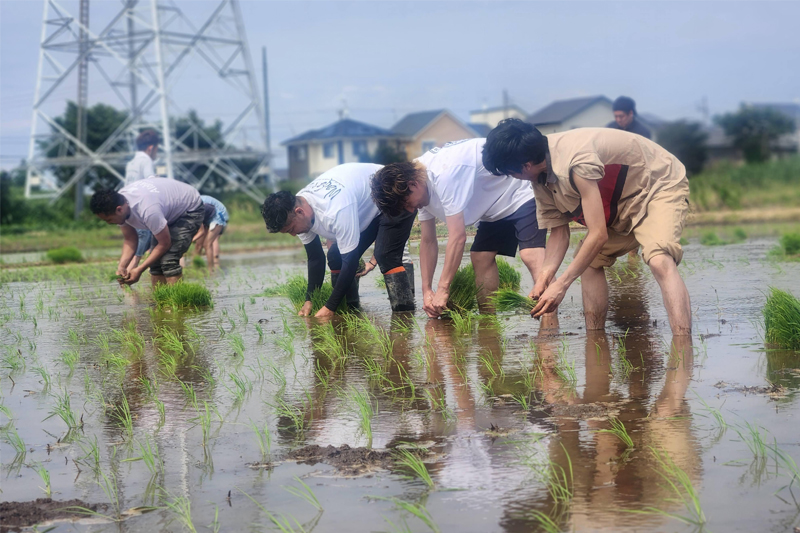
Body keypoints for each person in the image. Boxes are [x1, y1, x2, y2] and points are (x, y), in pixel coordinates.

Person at [482, 119, 691, 335]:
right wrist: (544, 278)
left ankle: (683, 347)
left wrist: (562, 284)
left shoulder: (576, 163)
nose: (513, 178)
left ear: (525, 165)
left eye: (510, 172)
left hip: (657, 186)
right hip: (620, 201)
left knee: (658, 259)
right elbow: (559, 232)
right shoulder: (540, 178)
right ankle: (595, 338)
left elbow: (598, 234)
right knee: (589, 262)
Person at [370, 139, 547, 319]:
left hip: (519, 191)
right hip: (491, 207)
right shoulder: (418, 185)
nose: (410, 210)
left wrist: (443, 290)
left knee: (530, 254)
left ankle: (550, 320)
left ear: (413, 184)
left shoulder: (443, 175)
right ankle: (488, 322)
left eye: (407, 203)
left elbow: (458, 237)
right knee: (480, 257)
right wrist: (427, 291)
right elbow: (428, 241)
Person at [261, 163, 416, 318]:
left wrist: (330, 307)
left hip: (393, 192)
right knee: (335, 256)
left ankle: (405, 315)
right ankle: (352, 313)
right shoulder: (299, 208)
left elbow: (351, 261)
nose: (293, 235)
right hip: (365, 206)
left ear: (299, 212)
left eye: (290, 230)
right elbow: (315, 258)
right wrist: (309, 300)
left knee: (386, 256)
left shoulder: (335, 210)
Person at [90, 177, 205, 287]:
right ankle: (160, 303)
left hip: (188, 208)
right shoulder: (118, 204)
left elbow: (165, 243)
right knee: (155, 263)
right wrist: (122, 266)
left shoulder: (148, 210)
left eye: (109, 220)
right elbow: (130, 239)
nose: (109, 223)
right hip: (165, 209)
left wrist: (139, 269)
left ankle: (179, 304)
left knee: (169, 259)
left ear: (119, 209)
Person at [124, 130, 160, 273]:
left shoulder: (131, 163)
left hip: (129, 208)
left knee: (139, 243)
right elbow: (151, 184)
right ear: (151, 148)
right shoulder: (146, 160)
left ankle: (126, 271)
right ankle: (130, 272)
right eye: (157, 149)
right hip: (141, 209)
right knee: (146, 241)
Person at [191, 195, 228, 271]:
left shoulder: (196, 209)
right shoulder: (188, 209)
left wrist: (191, 240)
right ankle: (194, 268)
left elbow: (201, 232)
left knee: (207, 244)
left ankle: (210, 269)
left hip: (218, 216)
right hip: (207, 215)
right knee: (198, 245)